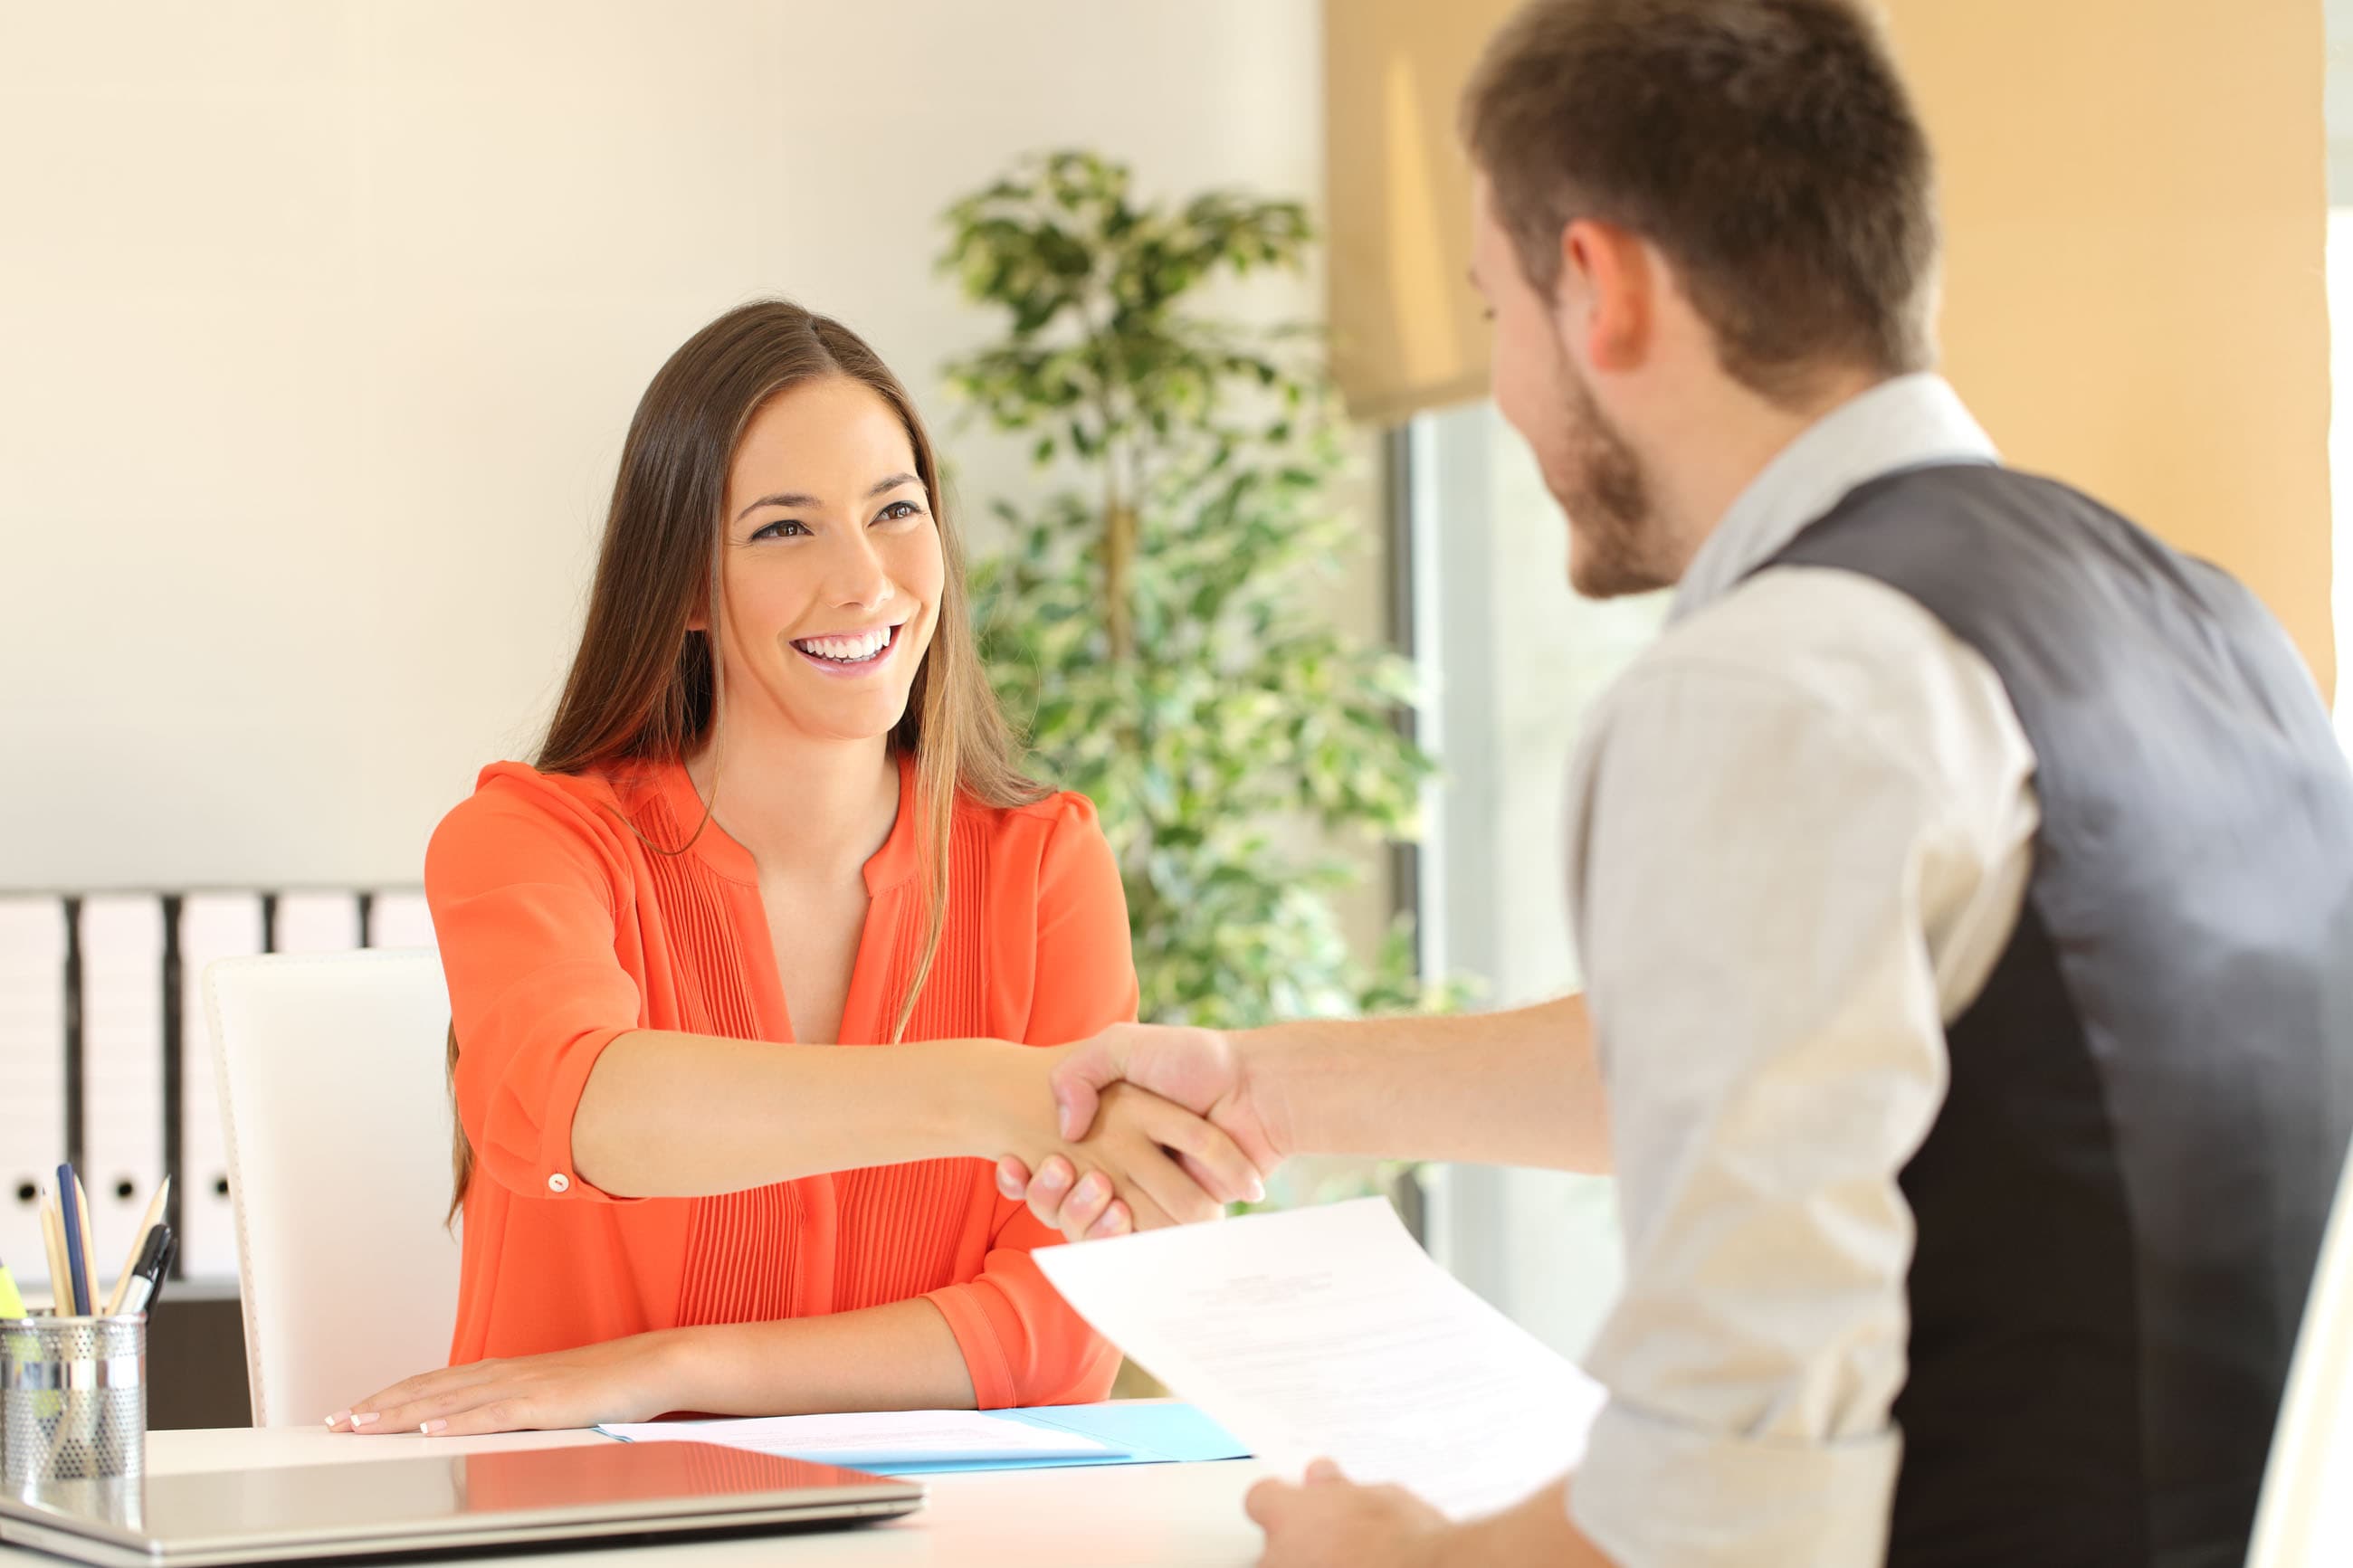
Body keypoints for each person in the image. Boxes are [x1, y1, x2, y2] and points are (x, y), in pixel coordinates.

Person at [1001, 1, 2353, 1563]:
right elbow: (1826, 1045)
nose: (1501, 388)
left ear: (1602, 289)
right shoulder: (2213, 627)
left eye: (1492, 309)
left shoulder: (1782, 679)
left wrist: (1395, 1556)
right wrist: (1270, 1088)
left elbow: (1731, 1500)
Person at [324, 300, 1259, 1440]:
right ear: (677, 587)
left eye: (895, 510)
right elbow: (583, 1108)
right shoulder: (530, 841)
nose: (863, 581)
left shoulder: (1043, 866)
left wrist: (663, 1367)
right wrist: (993, 1093)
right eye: (782, 529)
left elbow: (1057, 1335)